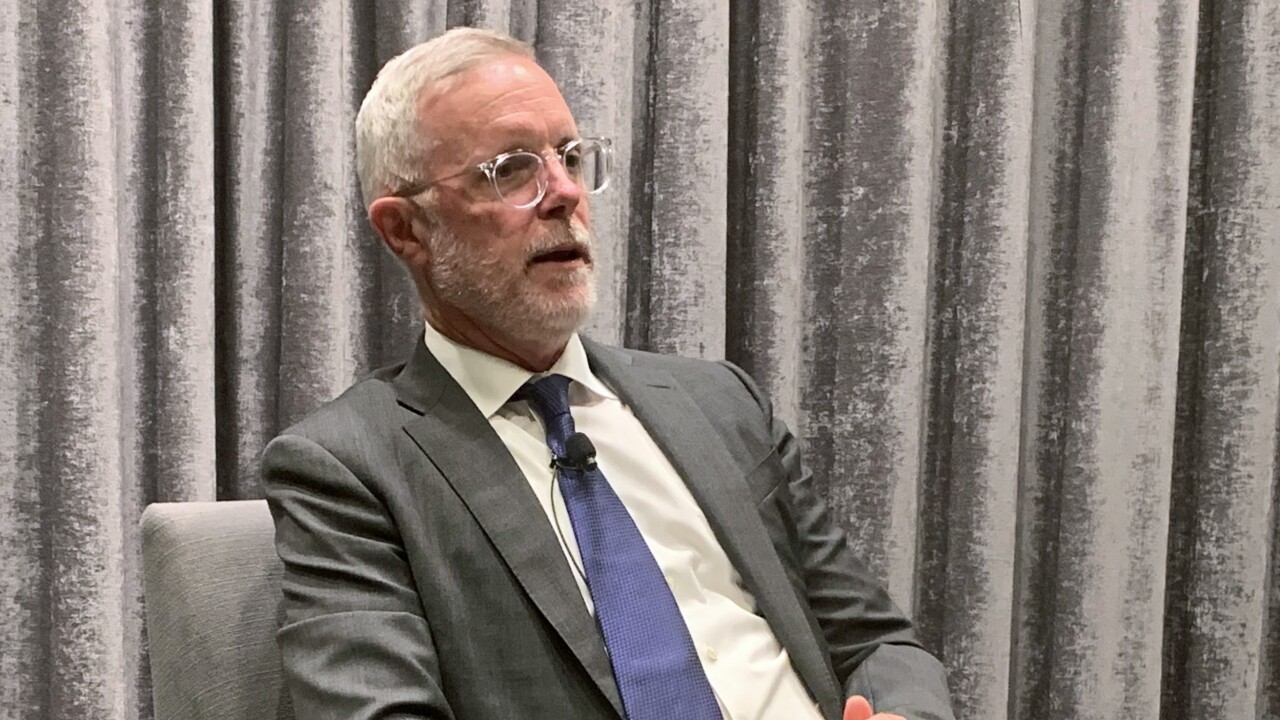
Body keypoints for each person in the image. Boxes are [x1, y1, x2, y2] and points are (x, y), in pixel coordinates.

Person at [261, 27, 956, 720]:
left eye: (568, 156)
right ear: (405, 230)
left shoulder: (723, 403)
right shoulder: (348, 467)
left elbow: (879, 641)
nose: (564, 193)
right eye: (512, 170)